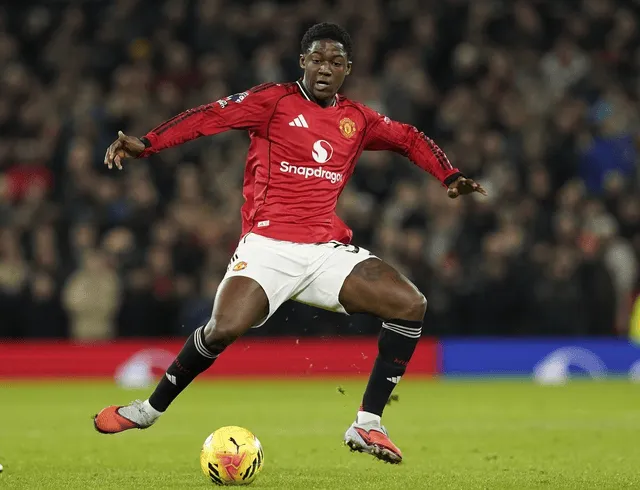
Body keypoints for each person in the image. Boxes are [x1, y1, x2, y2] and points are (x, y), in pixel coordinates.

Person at [94, 22, 486, 464]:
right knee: (222, 329)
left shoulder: (357, 119)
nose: (325, 69)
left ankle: (368, 422)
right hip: (267, 246)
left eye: (335, 62)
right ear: (303, 62)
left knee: (410, 305)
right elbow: (209, 116)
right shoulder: (272, 101)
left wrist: (449, 175)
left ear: (348, 69)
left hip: (324, 249)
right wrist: (148, 143)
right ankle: (148, 411)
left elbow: (409, 138)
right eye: (317, 59)